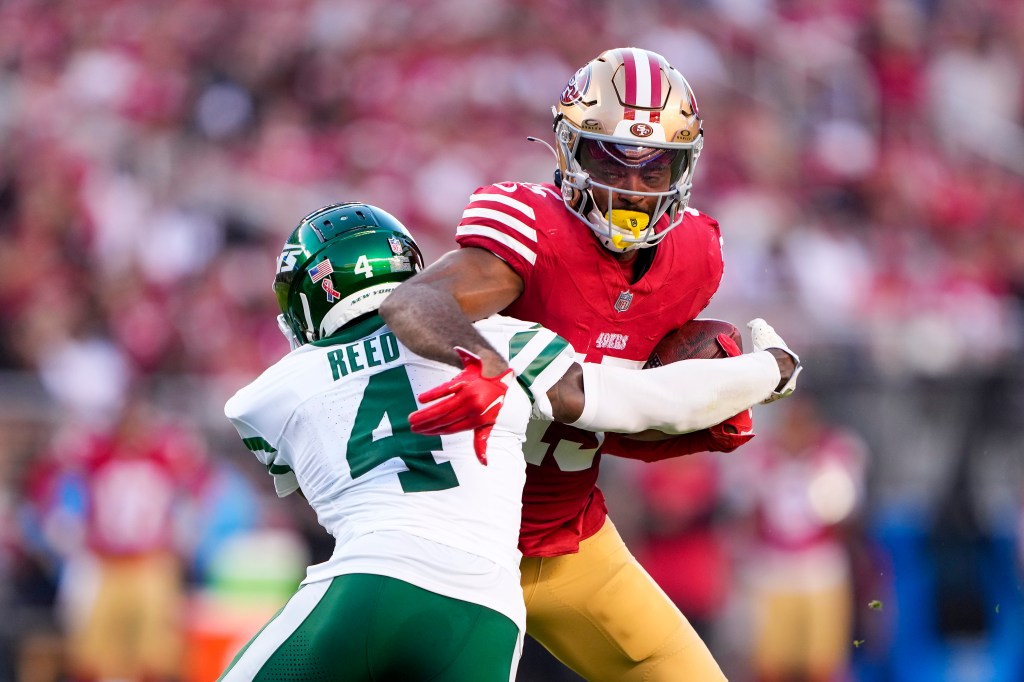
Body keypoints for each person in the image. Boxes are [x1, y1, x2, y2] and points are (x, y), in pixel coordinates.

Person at [219, 201, 798, 681]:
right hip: (487, 607)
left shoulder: (268, 394)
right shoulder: (507, 339)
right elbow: (640, 403)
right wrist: (766, 370)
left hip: (371, 582)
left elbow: (294, 471)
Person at [380, 47, 801, 681]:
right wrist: (487, 362)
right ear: (568, 152)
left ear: (683, 170)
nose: (631, 188)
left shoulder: (696, 259)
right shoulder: (530, 227)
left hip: (568, 538)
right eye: (610, 160)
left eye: (654, 168)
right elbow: (415, 301)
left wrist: (694, 417)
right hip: (455, 541)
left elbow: (608, 408)